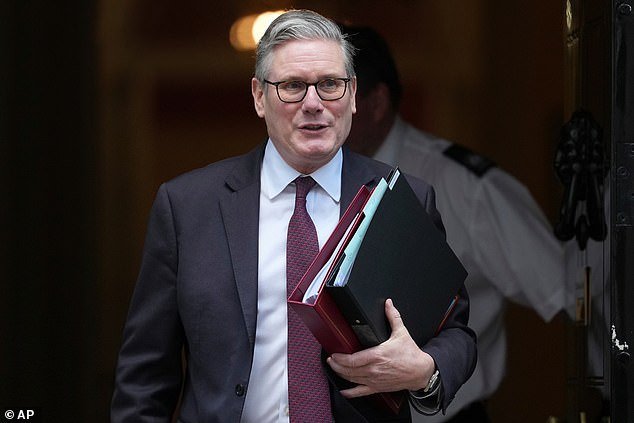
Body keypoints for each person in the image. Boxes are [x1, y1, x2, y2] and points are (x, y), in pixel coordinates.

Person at [110, 9, 476, 423]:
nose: (313, 104)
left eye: (330, 84)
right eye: (292, 86)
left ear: (354, 94)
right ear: (258, 96)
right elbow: (144, 379)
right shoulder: (188, 208)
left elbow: (455, 331)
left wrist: (425, 371)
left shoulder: (401, 199)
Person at [341, 24, 567, 422]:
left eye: (334, 90)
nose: (315, 107)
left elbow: (566, 289)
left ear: (375, 103)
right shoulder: (311, 183)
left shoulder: (463, 185)